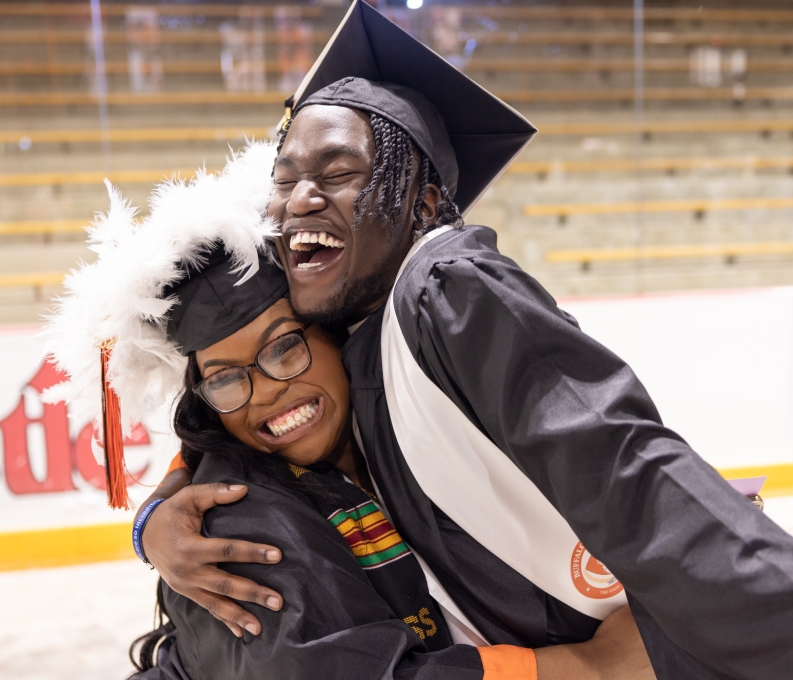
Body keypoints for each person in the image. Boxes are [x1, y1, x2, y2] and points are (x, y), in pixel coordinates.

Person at [135, 2, 793, 678]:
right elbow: (239, 400)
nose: (302, 198)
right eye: (284, 180)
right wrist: (156, 517)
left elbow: (627, 468)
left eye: (339, 172)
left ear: (423, 205)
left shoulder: (440, 283)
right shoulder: (346, 336)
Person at [43, 144, 653, 680]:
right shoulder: (237, 527)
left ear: (339, 333)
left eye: (285, 347)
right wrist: (595, 669)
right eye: (225, 378)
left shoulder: (403, 411)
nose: (265, 391)